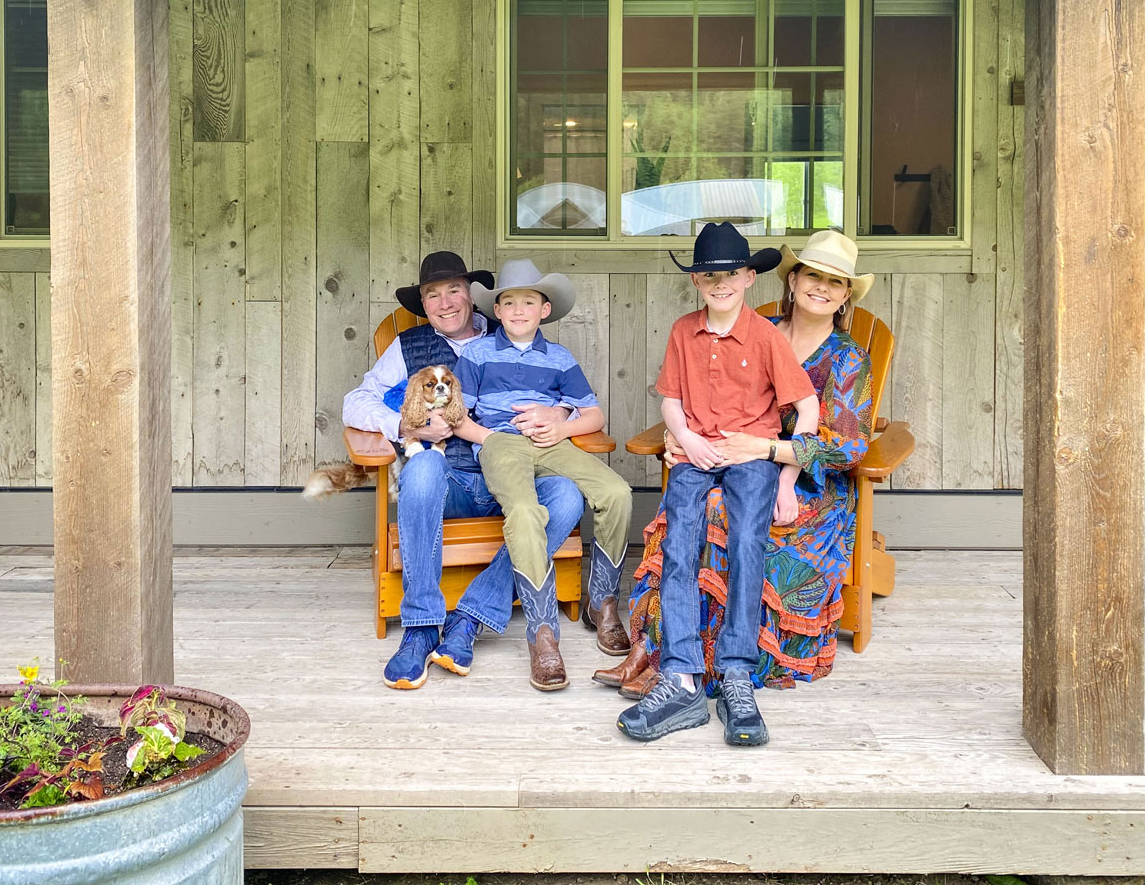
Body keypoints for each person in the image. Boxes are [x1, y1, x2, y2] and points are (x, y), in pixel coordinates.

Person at [596, 229, 876, 703]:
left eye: (835, 282)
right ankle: (666, 655)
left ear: (846, 294)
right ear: (791, 280)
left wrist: (776, 462)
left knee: (731, 521)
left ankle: (724, 666)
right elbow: (702, 396)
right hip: (725, 458)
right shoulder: (750, 324)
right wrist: (677, 437)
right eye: (813, 276)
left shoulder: (847, 358)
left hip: (806, 478)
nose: (821, 288)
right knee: (683, 518)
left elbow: (846, 448)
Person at [342, 251, 584, 691]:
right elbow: (356, 401)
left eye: (454, 289)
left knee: (566, 495)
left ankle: (469, 617)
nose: (446, 302)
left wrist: (559, 413)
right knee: (422, 465)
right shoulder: (408, 346)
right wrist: (405, 425)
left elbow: (556, 384)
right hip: (445, 485)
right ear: (423, 303)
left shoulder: (509, 332)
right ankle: (420, 627)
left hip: (509, 477)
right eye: (433, 295)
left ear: (472, 296)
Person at [616, 223, 816, 747]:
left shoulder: (768, 336)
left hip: (752, 456)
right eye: (708, 277)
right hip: (695, 453)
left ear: (750, 277)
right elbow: (670, 400)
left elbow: (808, 408)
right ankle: (681, 678)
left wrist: (787, 481)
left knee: (748, 545)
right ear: (697, 283)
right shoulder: (684, 331)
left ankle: (735, 675)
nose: (719, 284)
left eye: (729, 274)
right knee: (680, 544)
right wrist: (684, 436)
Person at [453, 260, 633, 692]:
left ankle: (603, 602)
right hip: (501, 444)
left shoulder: (559, 358)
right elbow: (456, 416)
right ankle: (543, 633)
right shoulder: (476, 354)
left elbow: (593, 413)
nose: (518, 310)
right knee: (526, 511)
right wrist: (490, 438)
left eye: (528, 302)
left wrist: (563, 426)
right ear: (497, 311)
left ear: (544, 310)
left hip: (554, 442)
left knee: (617, 491)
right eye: (509, 302)